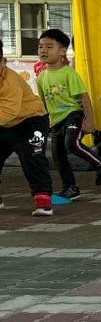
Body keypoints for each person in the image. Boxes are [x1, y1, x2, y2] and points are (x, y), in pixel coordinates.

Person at [36, 29, 101, 199]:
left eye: (49, 47)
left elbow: (84, 97)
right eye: (40, 47)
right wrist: (43, 122)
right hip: (56, 121)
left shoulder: (69, 72)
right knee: (58, 156)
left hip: (73, 115)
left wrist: (89, 119)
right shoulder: (42, 77)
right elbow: (43, 103)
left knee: (72, 144)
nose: (43, 50)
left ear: (62, 52)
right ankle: (70, 188)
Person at [0, 36, 53, 217]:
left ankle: (42, 197)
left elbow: (9, 112)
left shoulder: (10, 83)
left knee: (32, 157)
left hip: (30, 121)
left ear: (3, 62)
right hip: (2, 123)